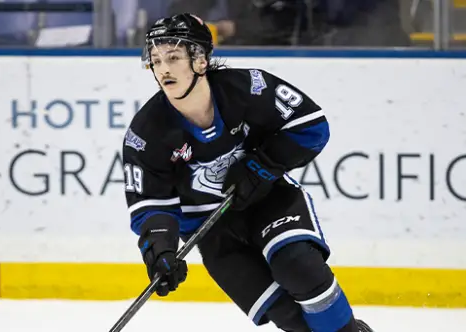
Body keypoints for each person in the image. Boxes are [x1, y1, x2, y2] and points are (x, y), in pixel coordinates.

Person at [121, 12, 374, 332]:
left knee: (298, 267)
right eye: (156, 60)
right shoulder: (147, 132)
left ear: (200, 61)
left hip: (269, 200)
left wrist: (260, 166)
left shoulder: (249, 88)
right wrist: (160, 251)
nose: (164, 69)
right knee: (289, 318)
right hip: (212, 233)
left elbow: (311, 126)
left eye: (173, 57)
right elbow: (149, 204)